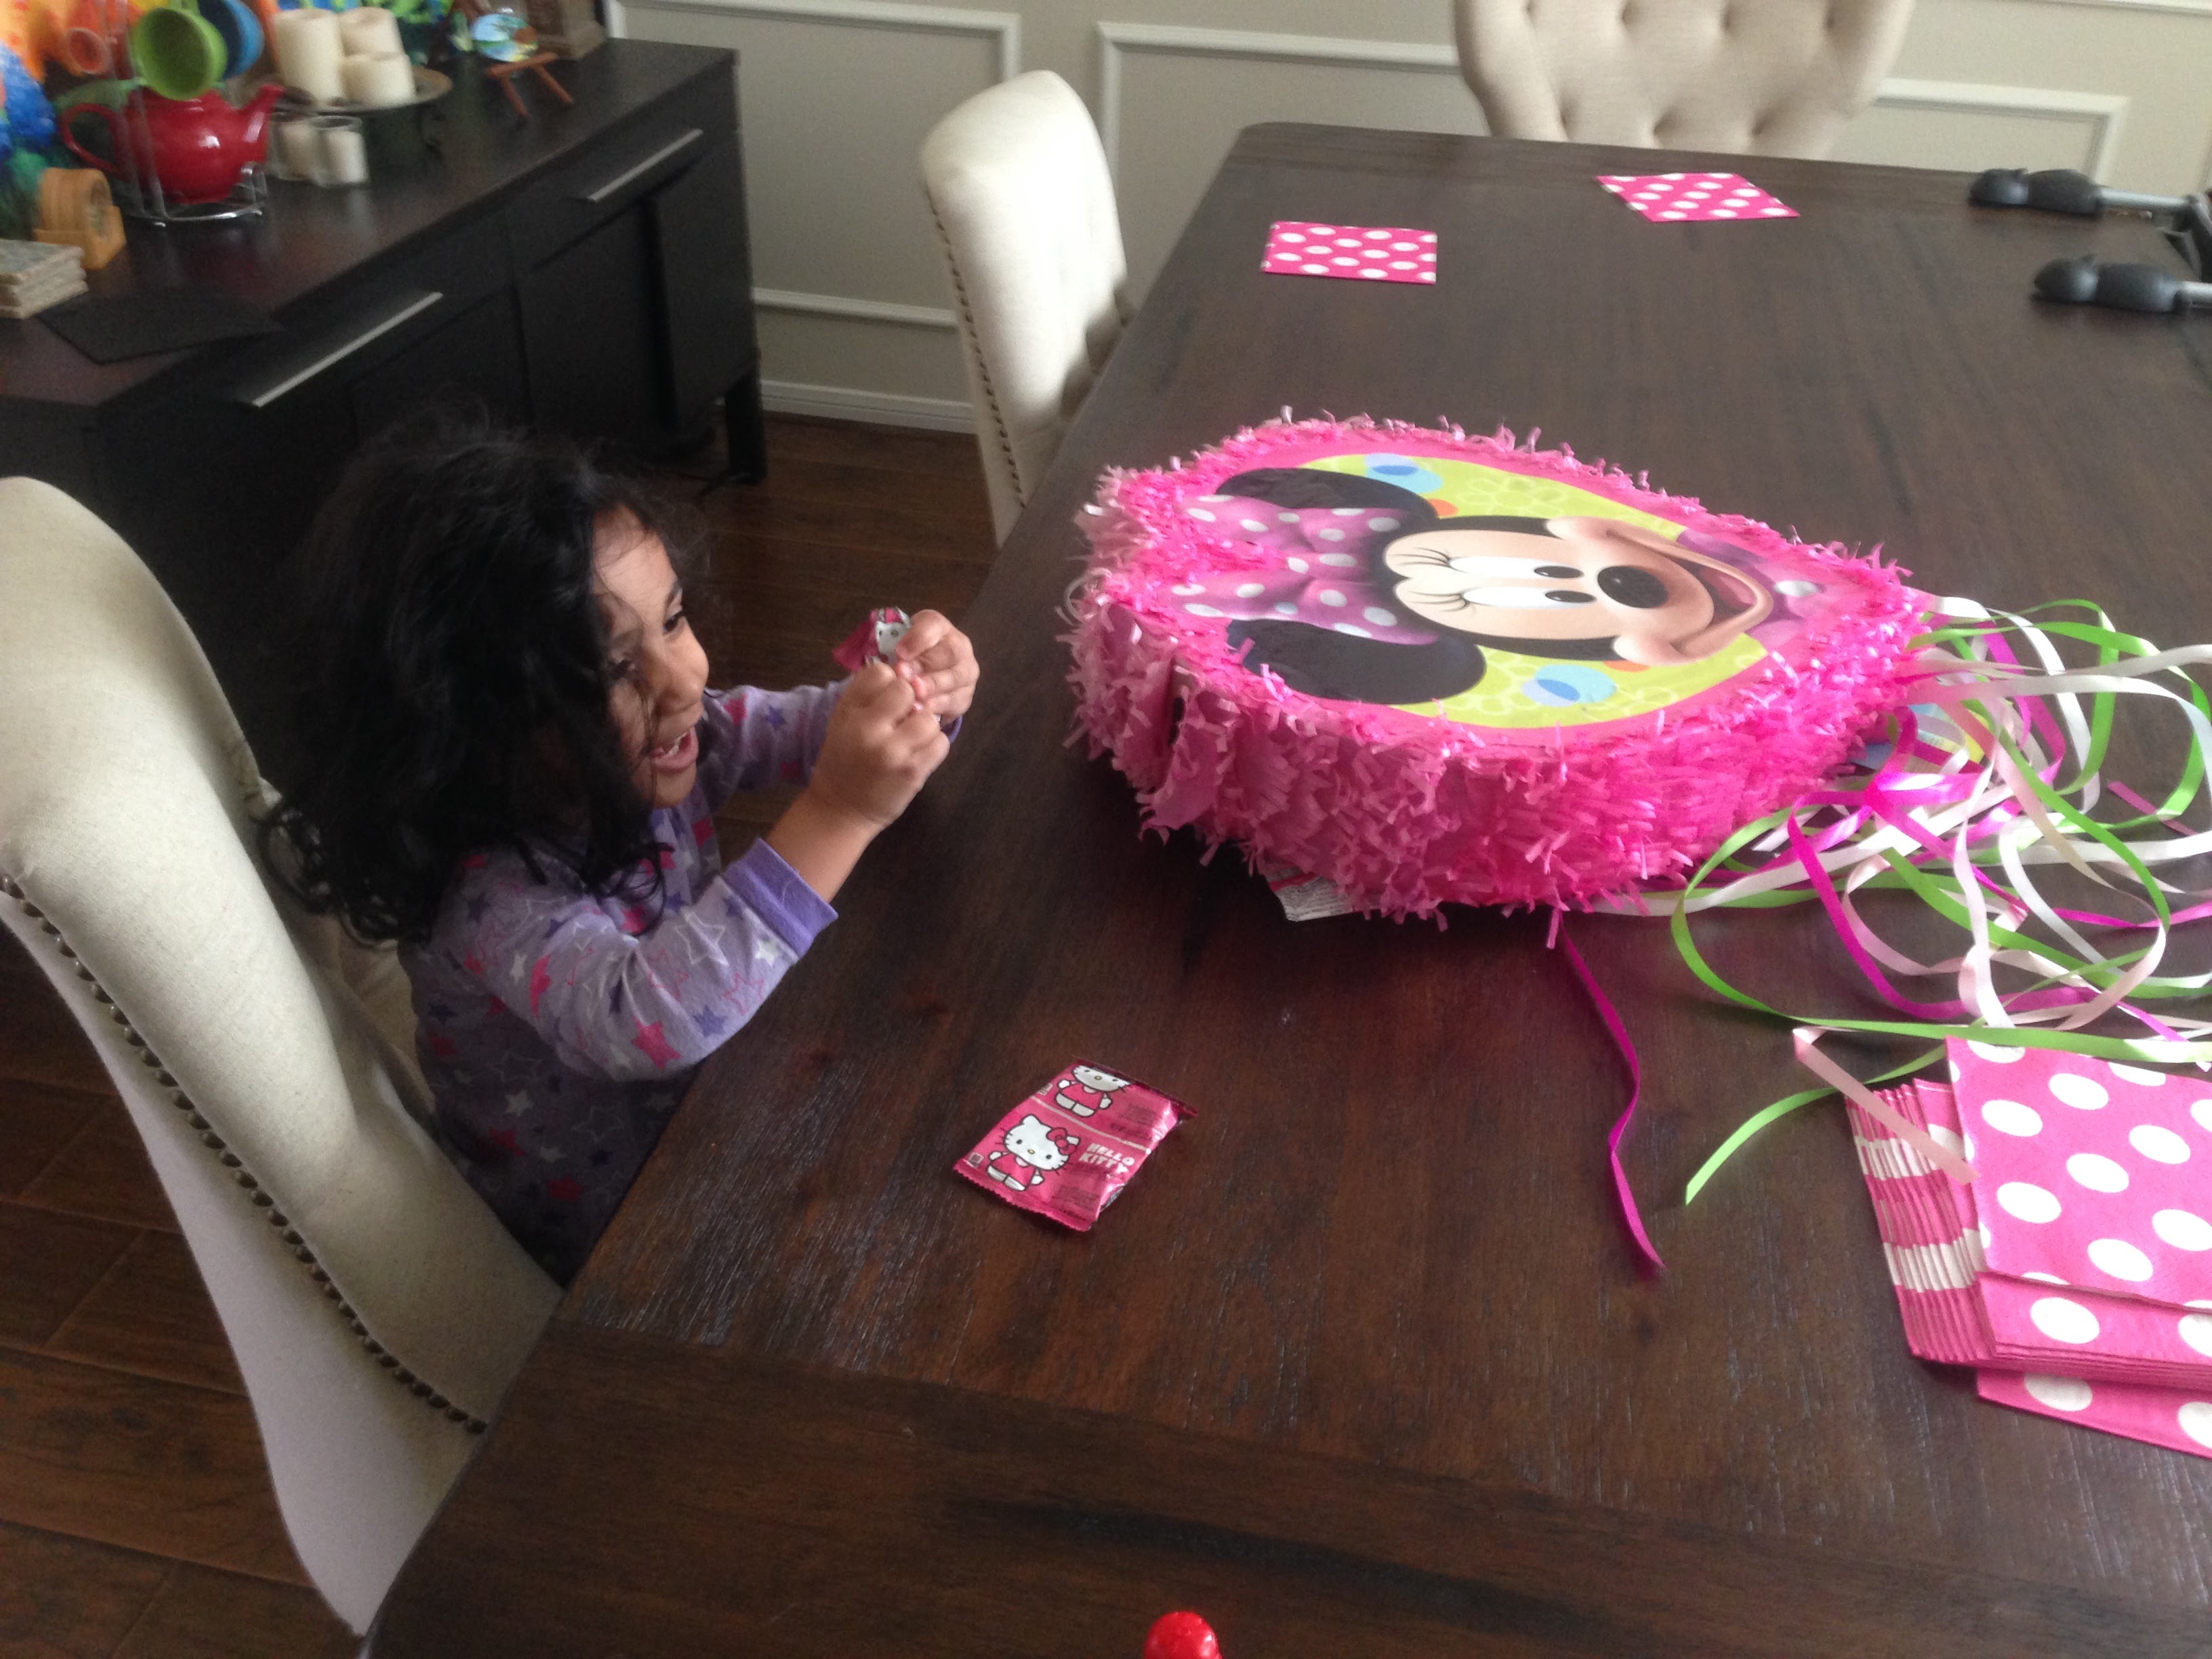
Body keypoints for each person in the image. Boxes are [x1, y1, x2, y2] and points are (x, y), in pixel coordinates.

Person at [262, 420, 978, 1281]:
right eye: (610, 669)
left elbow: (809, 730)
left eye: (672, 620)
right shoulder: (490, 893)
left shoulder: (664, 742)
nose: (684, 678)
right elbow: (651, 1019)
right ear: (466, 723)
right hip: (615, 1249)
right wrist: (840, 812)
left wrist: (916, 696)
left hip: (717, 1132)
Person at [1170, 467, 1781, 706]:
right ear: (1584, 530)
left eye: (1570, 597)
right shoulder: (1390, 507)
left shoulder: (1427, 660)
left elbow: (1278, 679)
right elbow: (1249, 485)